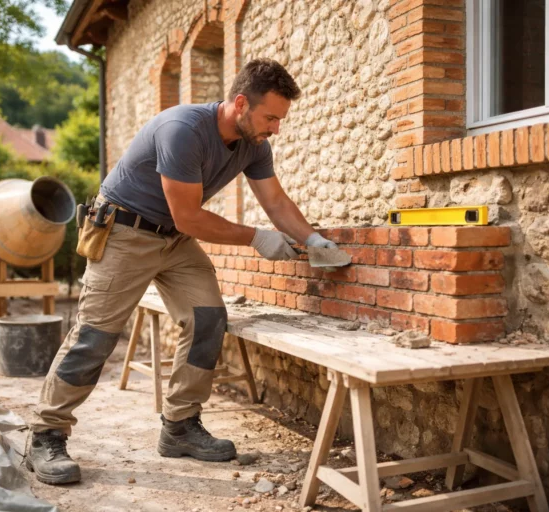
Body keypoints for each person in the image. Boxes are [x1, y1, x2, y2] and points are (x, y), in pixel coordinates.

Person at [25, 58, 337, 485]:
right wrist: (256, 238)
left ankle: (180, 426)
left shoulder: (254, 145)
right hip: (125, 232)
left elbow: (277, 202)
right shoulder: (184, 130)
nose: (275, 128)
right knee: (95, 335)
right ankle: (46, 432)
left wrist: (315, 239)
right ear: (241, 103)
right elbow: (190, 216)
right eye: (270, 117)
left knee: (208, 317)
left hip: (173, 239)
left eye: (280, 120)